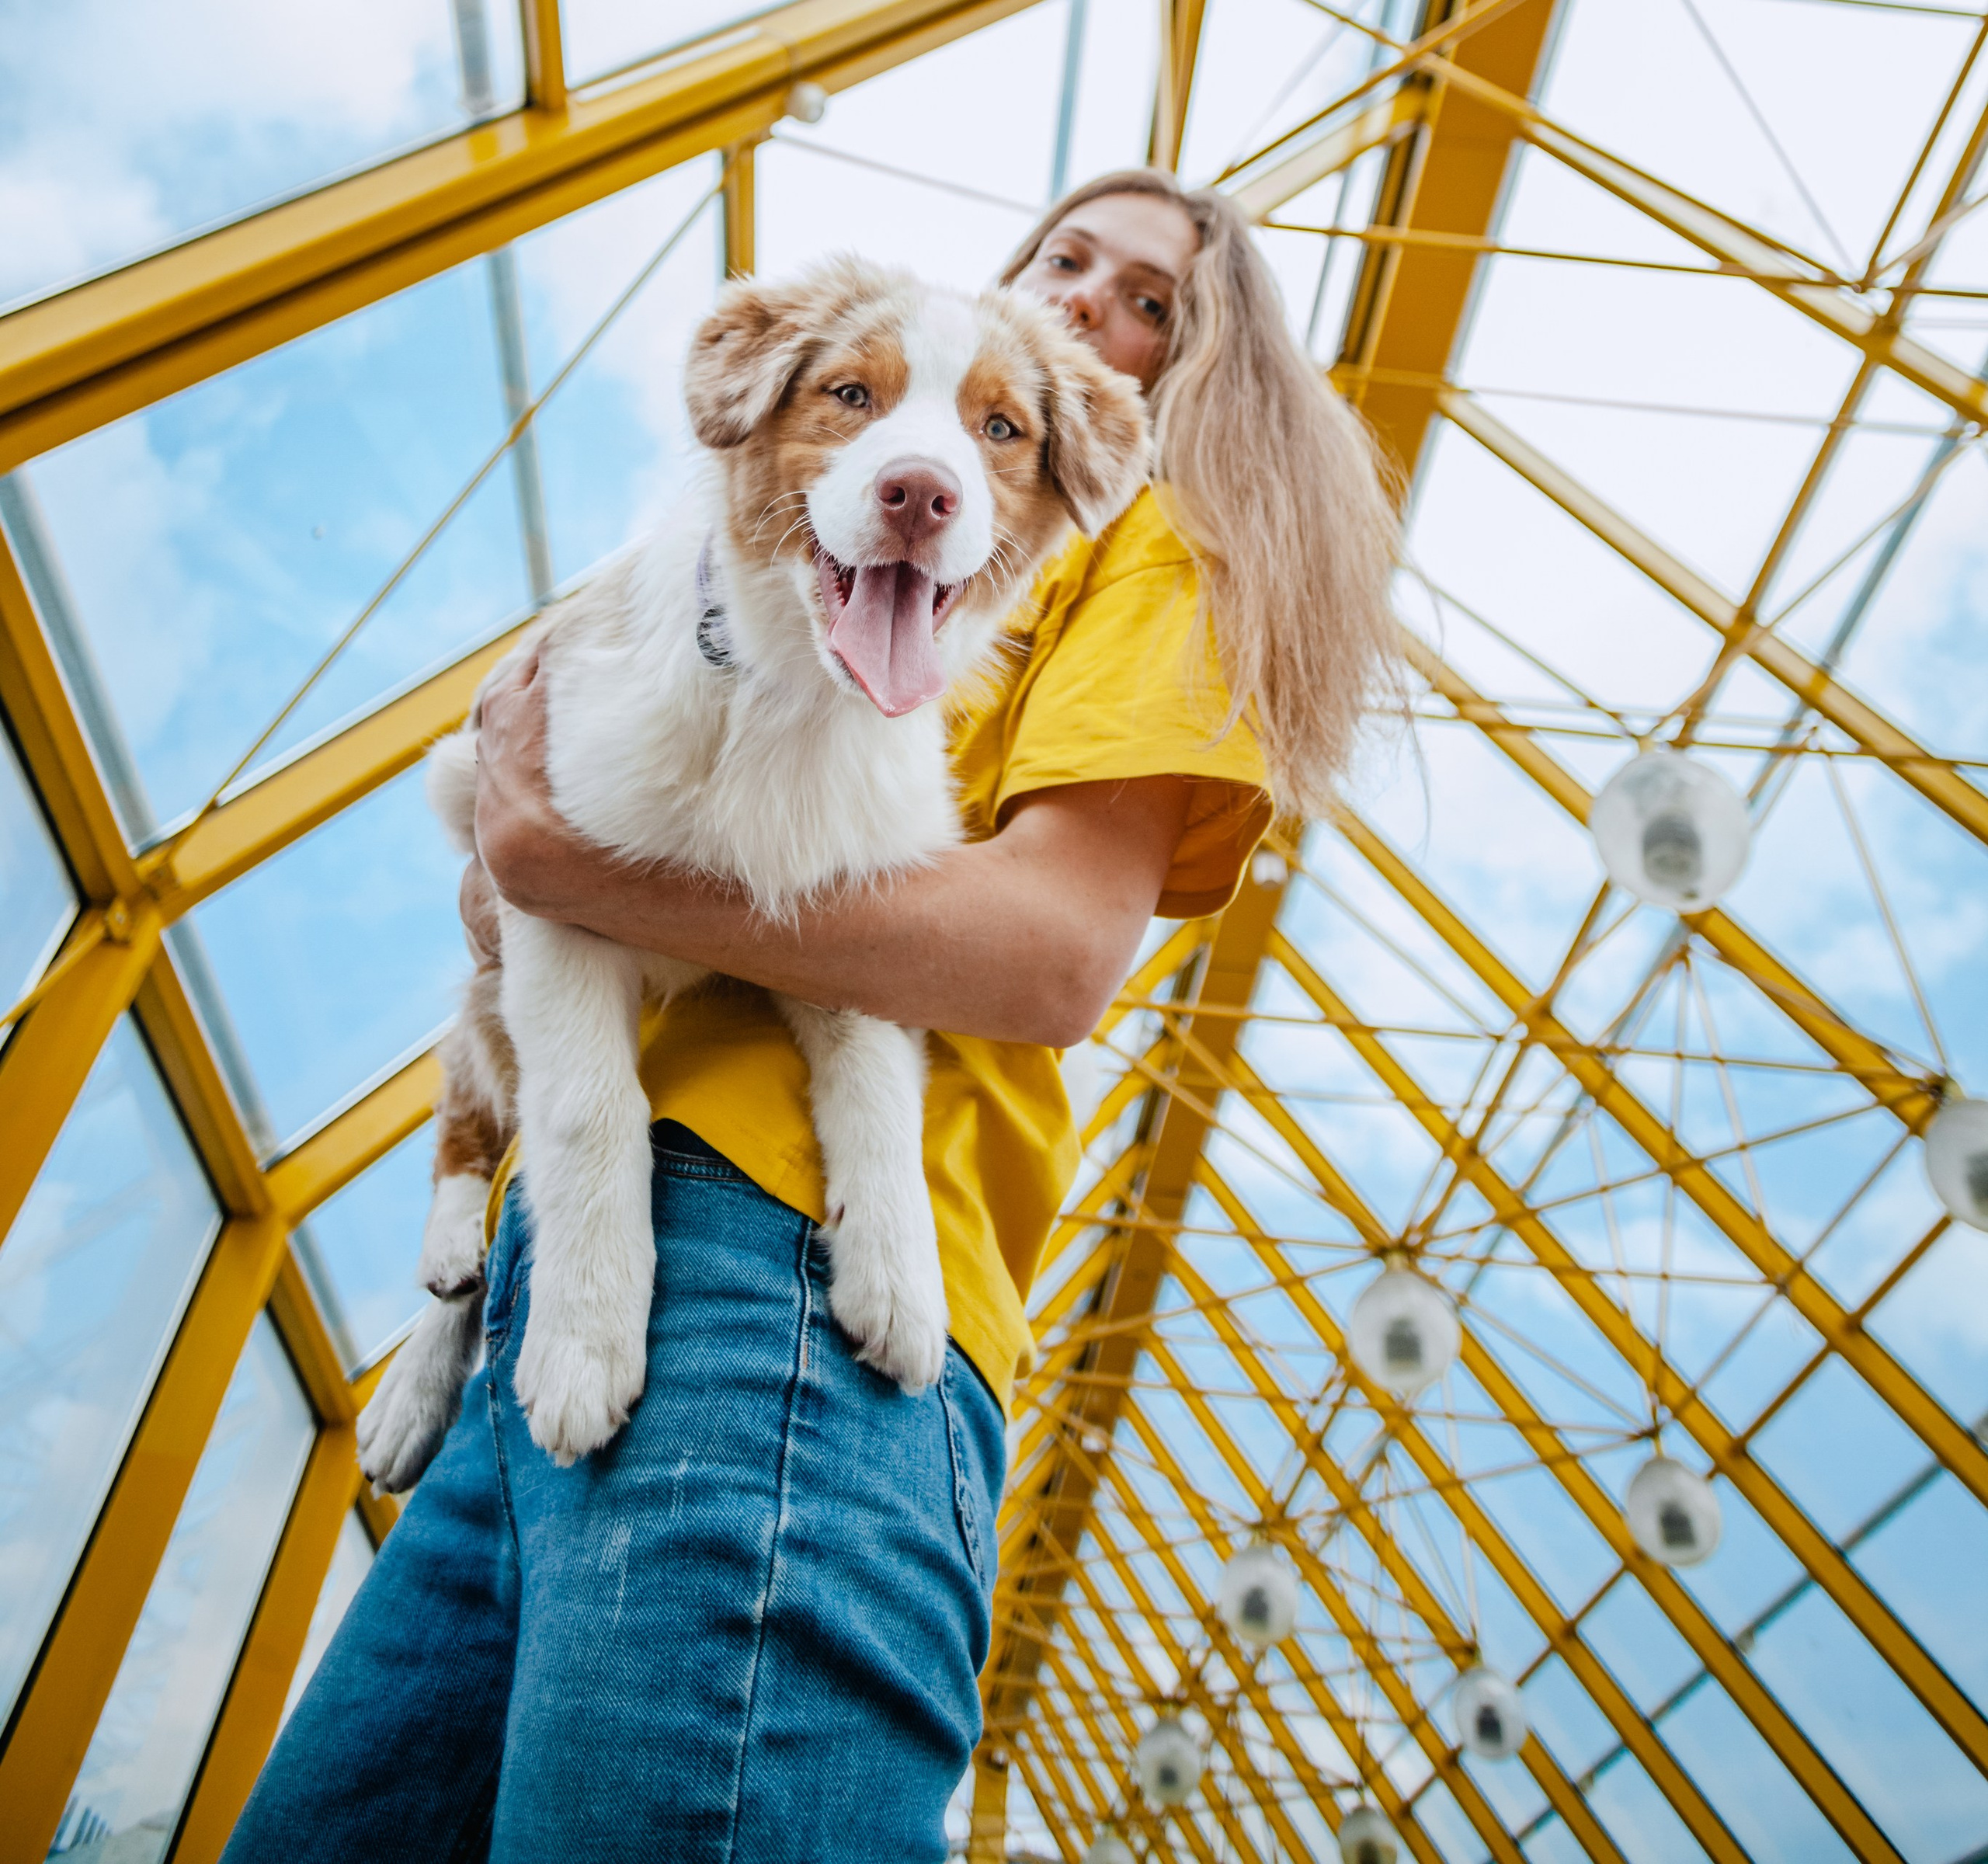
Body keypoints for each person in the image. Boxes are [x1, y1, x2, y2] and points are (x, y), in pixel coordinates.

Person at [226, 169, 1397, 1864]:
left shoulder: (1148, 545)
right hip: (563, 1275)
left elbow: (1052, 955)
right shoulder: (791, 517)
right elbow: (537, 857)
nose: (1083, 307)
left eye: (1148, 303)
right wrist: (532, 868)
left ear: (1190, 372)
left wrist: (565, 863)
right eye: (1061, 258)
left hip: (788, 1274)